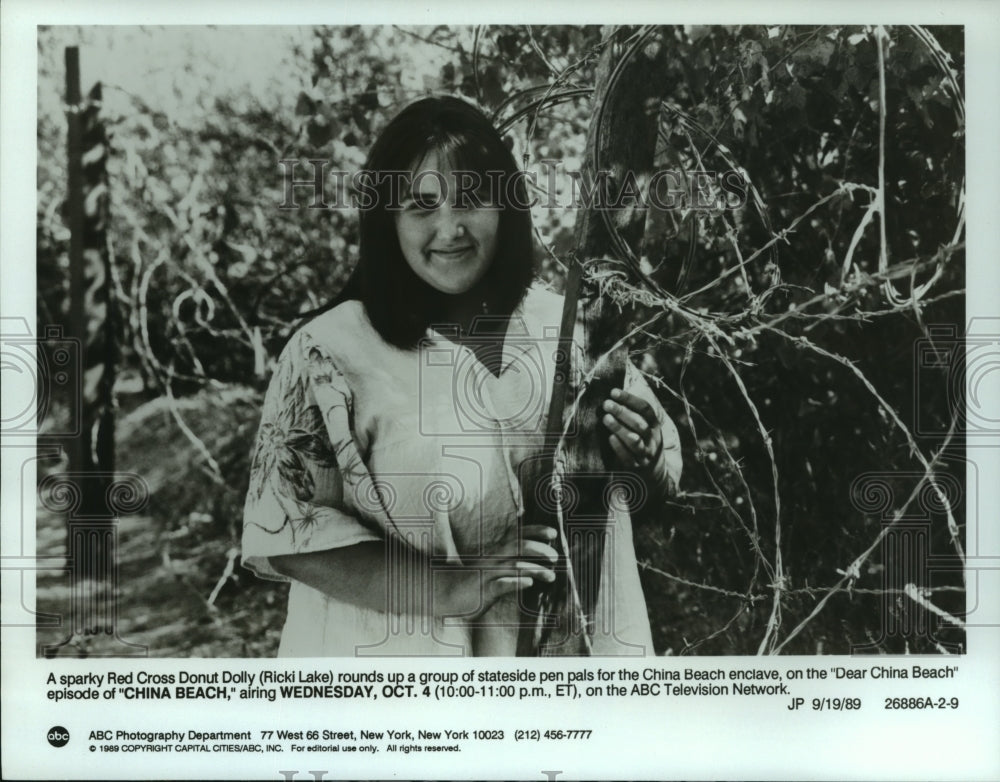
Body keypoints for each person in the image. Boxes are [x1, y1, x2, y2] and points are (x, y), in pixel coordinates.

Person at [241, 95, 682, 657]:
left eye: (472, 197)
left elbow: (662, 474)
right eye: (421, 206)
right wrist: (453, 587)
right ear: (385, 221)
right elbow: (291, 535)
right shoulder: (329, 352)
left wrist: (645, 457)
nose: (450, 228)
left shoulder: (569, 327)